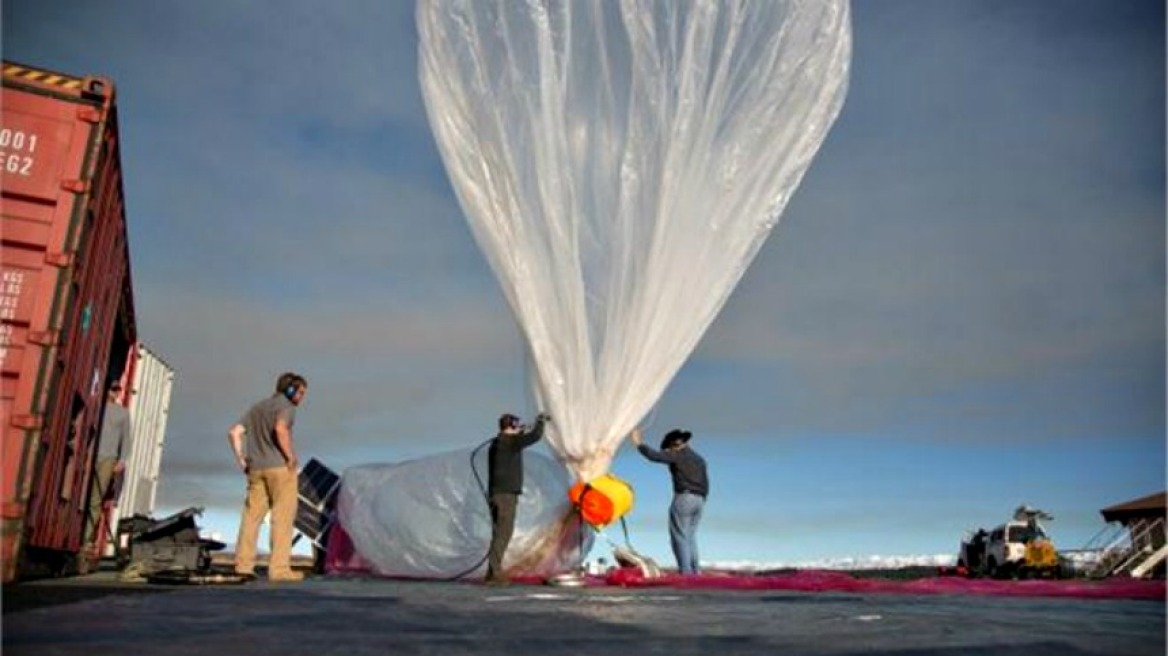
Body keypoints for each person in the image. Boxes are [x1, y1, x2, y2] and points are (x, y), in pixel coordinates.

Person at [228, 372, 307, 582]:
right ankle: (279, 569)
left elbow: (234, 432)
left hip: (255, 469)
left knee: (251, 518)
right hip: (280, 469)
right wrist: (291, 458)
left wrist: (242, 460)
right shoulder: (286, 408)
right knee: (282, 518)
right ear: (290, 390)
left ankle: (243, 566)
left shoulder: (257, 408)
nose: (302, 397)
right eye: (300, 392)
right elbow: (280, 429)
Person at [630, 427, 708, 575]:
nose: (667, 452)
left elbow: (653, 456)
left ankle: (686, 574)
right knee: (690, 537)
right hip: (700, 500)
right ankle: (695, 571)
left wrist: (638, 442)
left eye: (668, 449)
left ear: (674, 445)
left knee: (679, 536)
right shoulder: (700, 459)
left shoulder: (677, 455)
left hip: (684, 498)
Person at [484, 411, 549, 585]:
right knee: (504, 533)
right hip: (506, 494)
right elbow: (535, 436)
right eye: (516, 424)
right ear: (511, 425)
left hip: (496, 494)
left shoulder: (498, 443)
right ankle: (495, 574)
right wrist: (541, 421)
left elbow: (518, 439)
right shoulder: (511, 442)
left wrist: (520, 432)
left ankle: (491, 574)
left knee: (499, 534)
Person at [84, 381, 132, 548]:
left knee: (95, 500)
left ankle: (85, 537)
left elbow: (126, 439)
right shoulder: (95, 406)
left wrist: (121, 460)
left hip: (108, 458)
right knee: (81, 495)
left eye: (116, 389)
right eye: (111, 389)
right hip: (88, 454)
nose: (114, 392)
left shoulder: (123, 413)